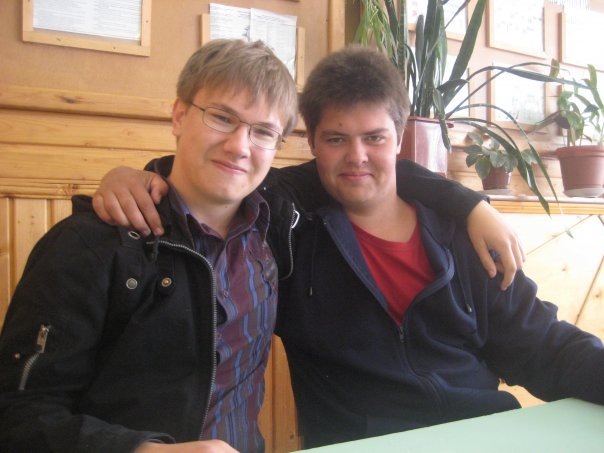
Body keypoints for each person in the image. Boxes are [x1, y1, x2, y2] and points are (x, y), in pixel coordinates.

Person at [0, 40, 520, 453]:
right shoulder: (92, 246)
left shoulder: (278, 225)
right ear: (178, 116)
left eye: (263, 132)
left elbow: (367, 169)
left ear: (279, 145)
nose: (239, 146)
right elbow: (17, 415)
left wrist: (469, 203)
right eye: (221, 117)